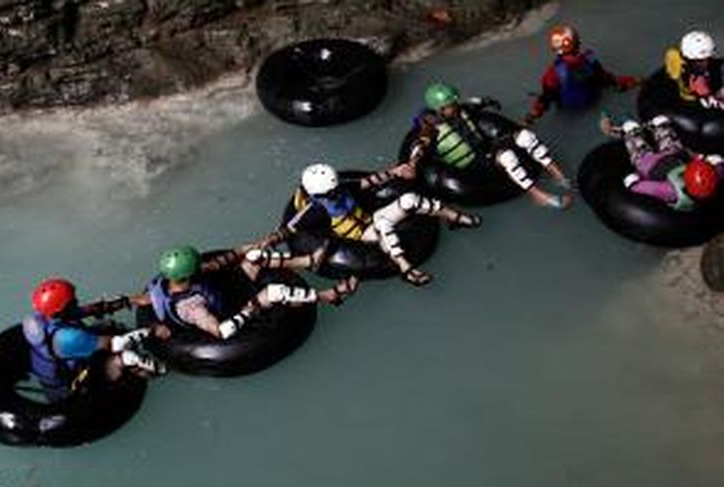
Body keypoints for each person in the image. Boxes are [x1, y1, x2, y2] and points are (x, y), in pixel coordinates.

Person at [267, 162, 479, 287]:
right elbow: (290, 228)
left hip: (372, 219)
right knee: (384, 225)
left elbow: (367, 182)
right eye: (332, 191)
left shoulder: (342, 188)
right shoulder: (315, 210)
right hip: (360, 235)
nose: (337, 192)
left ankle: (454, 217)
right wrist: (266, 243)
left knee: (410, 200)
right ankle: (406, 269)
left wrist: (395, 171)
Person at [137, 243, 358, 339]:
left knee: (255, 257)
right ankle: (329, 297)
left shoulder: (180, 278)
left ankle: (309, 261)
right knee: (272, 292)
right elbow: (221, 332)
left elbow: (216, 264)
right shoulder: (192, 308)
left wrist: (247, 249)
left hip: (226, 288)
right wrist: (248, 311)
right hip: (232, 308)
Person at [409, 82, 573, 209]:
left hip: (485, 151)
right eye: (452, 104)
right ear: (440, 109)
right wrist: (414, 160)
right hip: (470, 166)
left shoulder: (460, 109)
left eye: (455, 101)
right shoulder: (431, 130)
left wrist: (487, 102)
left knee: (525, 136)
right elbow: (420, 145)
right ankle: (538, 196)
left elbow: (474, 102)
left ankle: (558, 175)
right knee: (508, 157)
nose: (456, 105)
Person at [23, 278, 164, 402]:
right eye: (72, 301)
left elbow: (85, 310)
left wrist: (130, 300)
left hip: (56, 372)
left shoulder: (38, 319)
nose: (77, 301)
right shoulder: (68, 338)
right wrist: (151, 332)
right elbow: (115, 344)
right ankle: (162, 371)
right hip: (68, 389)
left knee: (103, 329)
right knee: (127, 357)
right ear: (61, 311)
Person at [599, 113, 723, 210]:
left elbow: (648, 189)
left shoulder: (672, 191)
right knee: (662, 123)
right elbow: (718, 168)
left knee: (632, 130)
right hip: (673, 155)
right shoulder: (713, 177)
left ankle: (629, 131)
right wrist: (713, 161)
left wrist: (634, 182)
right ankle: (655, 127)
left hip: (648, 163)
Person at [525, 25, 641, 124]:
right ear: (577, 43)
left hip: (570, 109)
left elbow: (545, 99)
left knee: (550, 94)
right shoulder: (590, 58)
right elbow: (606, 79)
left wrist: (532, 115)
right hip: (594, 97)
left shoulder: (552, 74)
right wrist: (633, 80)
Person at [665, 30, 724, 110]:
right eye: (701, 61)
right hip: (694, 100)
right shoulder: (696, 78)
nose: (705, 63)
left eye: (707, 59)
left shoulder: (681, 58)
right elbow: (704, 92)